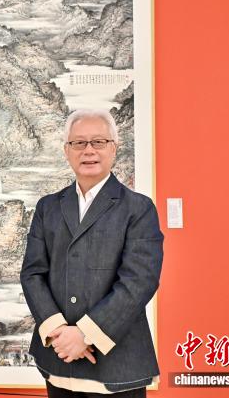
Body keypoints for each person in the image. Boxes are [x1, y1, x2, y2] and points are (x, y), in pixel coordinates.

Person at [20, 109, 164, 397]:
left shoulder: (138, 208)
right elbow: (33, 273)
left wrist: (85, 334)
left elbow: (139, 281)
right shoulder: (48, 207)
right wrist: (59, 331)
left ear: (114, 148)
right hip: (59, 360)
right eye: (79, 143)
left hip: (118, 365)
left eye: (98, 142)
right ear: (67, 150)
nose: (89, 150)